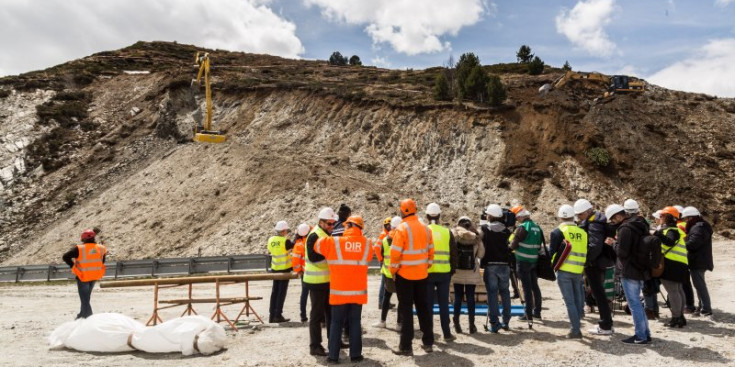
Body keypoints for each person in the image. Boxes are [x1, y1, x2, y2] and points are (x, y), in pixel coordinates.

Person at [315, 215, 373, 364]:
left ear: (348, 226)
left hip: (339, 292)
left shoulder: (334, 242)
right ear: (360, 228)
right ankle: (356, 356)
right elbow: (368, 258)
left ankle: (333, 357)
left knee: (336, 323)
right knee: (355, 322)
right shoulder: (367, 244)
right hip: (357, 293)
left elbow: (317, 245)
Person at [390, 198, 435, 356]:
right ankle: (428, 342)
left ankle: (405, 346)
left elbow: (395, 254)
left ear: (402, 211)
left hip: (405, 276)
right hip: (422, 275)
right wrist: (425, 266)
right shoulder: (425, 227)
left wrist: (393, 272)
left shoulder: (401, 229)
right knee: (423, 308)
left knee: (406, 310)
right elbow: (431, 251)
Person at [605, 204, 652, 345]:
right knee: (637, 303)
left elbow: (622, 252)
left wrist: (613, 243)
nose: (613, 223)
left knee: (634, 304)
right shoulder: (641, 225)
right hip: (639, 268)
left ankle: (640, 336)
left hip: (629, 270)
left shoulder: (625, 229)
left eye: (613, 220)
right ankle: (645, 333)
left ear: (619, 216)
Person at [574, 199, 615, 335]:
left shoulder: (594, 224)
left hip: (595, 263)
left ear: (587, 212)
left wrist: (586, 261)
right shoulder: (598, 220)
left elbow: (594, 246)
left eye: (580, 214)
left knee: (599, 294)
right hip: (601, 261)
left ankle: (605, 325)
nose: (578, 217)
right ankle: (607, 323)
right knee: (599, 294)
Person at [550, 205, 588, 339]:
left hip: (564, 270)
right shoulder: (583, 232)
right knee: (578, 300)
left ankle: (576, 330)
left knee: (570, 301)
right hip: (578, 270)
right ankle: (577, 325)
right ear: (574, 216)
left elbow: (552, 252)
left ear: (560, 217)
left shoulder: (558, 231)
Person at [305, 207, 338, 356]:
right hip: (316, 281)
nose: (332, 226)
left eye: (333, 223)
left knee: (331, 313)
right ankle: (315, 346)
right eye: (329, 223)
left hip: (328, 281)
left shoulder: (327, 235)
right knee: (317, 315)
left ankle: (334, 341)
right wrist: (330, 255)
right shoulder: (314, 235)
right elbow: (313, 258)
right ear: (321, 222)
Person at [425, 202, 457, 342]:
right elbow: (454, 254)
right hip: (444, 273)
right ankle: (447, 334)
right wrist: (451, 271)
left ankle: (429, 335)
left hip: (427, 273)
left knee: (428, 305)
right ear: (439, 216)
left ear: (426, 216)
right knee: (444, 304)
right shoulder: (446, 232)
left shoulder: (424, 231)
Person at [654, 206, 690, 328]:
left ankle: (676, 318)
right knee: (678, 291)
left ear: (668, 217)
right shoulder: (675, 229)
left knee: (673, 292)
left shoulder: (671, 230)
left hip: (671, 264)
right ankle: (680, 317)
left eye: (662, 216)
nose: (660, 218)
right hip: (679, 264)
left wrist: (658, 234)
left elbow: (669, 242)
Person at [479, 204, 512, 333]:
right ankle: (506, 321)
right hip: (504, 266)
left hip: (490, 265)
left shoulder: (484, 229)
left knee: (492, 294)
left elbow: (478, 240)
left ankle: (494, 323)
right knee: (505, 293)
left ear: (490, 216)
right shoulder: (507, 230)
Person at [62, 229, 107, 319]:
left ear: (83, 239)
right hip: (95, 275)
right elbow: (102, 261)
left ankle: (89, 316)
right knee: (86, 297)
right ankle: (82, 314)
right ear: (94, 238)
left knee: (84, 298)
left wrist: (73, 266)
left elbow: (65, 256)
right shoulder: (101, 248)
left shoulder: (79, 248)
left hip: (83, 276)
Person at [509, 205, 543, 322]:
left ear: (520, 217)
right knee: (535, 287)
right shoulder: (537, 227)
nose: (516, 220)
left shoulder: (522, 227)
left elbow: (514, 244)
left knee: (526, 289)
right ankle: (537, 312)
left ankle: (528, 314)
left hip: (523, 261)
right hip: (534, 261)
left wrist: (508, 247)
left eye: (517, 218)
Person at [452, 216, 484, 334]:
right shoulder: (476, 238)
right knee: (470, 298)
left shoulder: (454, 235)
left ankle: (456, 323)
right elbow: (481, 254)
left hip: (457, 272)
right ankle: (471, 325)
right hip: (471, 272)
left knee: (458, 298)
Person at [681, 206, 713, 317]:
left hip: (698, 261)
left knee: (700, 286)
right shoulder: (700, 226)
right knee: (699, 285)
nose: (685, 221)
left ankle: (706, 309)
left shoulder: (698, 228)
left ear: (691, 218)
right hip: (700, 260)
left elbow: (693, 244)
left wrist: (683, 243)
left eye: (686, 218)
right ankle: (702, 307)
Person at [373, 216, 403, 328]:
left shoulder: (385, 239)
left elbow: (380, 251)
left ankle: (382, 321)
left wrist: (382, 261)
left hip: (388, 273)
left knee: (386, 297)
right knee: (401, 299)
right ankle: (399, 324)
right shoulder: (403, 239)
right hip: (400, 274)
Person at [267, 220, 294, 323]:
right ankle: (278, 315)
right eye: (286, 231)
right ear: (283, 231)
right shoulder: (285, 241)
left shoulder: (270, 240)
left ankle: (272, 315)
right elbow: (293, 245)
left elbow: (270, 251)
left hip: (275, 269)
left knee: (274, 292)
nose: (287, 232)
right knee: (281, 293)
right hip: (284, 269)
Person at [643, 210, 663, 320]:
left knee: (647, 290)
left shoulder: (644, 239)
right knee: (653, 289)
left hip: (647, 267)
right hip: (654, 267)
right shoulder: (654, 238)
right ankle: (655, 311)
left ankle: (649, 311)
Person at [292, 223, 312, 322]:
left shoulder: (298, 244)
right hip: (315, 272)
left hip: (304, 273)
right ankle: (318, 316)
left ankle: (303, 316)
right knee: (315, 295)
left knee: (304, 294)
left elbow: (295, 261)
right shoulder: (313, 240)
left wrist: (298, 270)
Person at [376, 217, 392, 310]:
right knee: (383, 283)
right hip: (384, 262)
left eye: (390, 224)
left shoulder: (388, 234)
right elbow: (376, 248)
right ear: (385, 225)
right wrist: (381, 259)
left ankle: (386, 302)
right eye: (388, 225)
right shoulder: (383, 235)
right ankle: (381, 302)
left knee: (387, 283)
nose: (389, 226)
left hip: (386, 262)